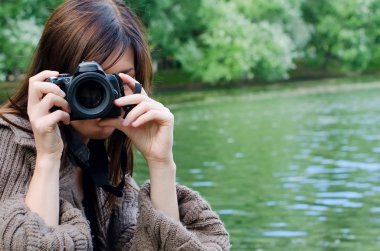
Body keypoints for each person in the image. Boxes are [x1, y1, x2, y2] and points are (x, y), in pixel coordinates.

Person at [0, 0, 230, 250]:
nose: (103, 98)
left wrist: (161, 163)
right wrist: (48, 158)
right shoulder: (8, 143)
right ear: (55, 80)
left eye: (115, 82)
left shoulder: (103, 165)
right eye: (90, 83)